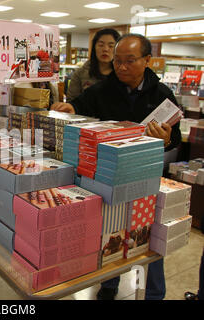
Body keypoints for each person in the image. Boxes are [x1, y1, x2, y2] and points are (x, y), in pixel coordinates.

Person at [51, 34, 182, 300]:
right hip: (107, 179)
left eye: (129, 61)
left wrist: (167, 139)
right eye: (118, 61)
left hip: (146, 180)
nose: (121, 67)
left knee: (149, 238)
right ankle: (107, 288)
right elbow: (80, 107)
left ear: (147, 60)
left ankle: (155, 295)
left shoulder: (162, 95)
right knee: (110, 236)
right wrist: (68, 108)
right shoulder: (102, 89)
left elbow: (175, 138)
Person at [66, 28, 120, 102]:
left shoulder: (123, 73)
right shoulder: (80, 73)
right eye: (101, 45)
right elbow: (72, 102)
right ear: (94, 47)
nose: (105, 49)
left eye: (111, 46)